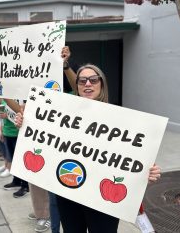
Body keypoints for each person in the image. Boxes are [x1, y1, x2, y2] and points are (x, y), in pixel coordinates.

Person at [14, 46, 162, 233]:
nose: (87, 84)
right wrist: (24, 121)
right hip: (68, 191)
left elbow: (132, 157)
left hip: (103, 200)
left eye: (93, 80)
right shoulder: (62, 111)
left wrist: (146, 171)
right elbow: (39, 127)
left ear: (102, 83)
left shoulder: (121, 120)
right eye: (82, 80)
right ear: (77, 85)